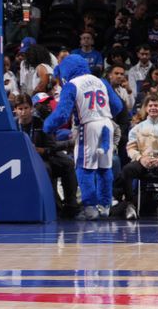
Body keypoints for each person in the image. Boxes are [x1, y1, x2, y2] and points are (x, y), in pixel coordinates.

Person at [44, 55, 123, 220]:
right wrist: (102, 114)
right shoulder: (100, 80)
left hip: (88, 126)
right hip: (107, 124)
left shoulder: (72, 85)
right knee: (104, 169)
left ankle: (90, 208)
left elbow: (62, 114)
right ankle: (105, 205)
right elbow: (117, 106)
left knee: (84, 169)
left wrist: (47, 126)